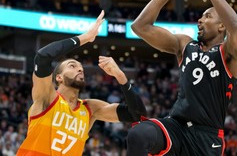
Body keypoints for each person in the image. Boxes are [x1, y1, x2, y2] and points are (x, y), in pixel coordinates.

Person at [128, 0, 237, 156]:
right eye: (200, 17)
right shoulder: (185, 45)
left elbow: (235, 27)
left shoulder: (228, 53)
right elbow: (140, 27)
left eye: (207, 16)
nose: (199, 20)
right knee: (138, 135)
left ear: (221, 26)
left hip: (206, 137)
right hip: (176, 127)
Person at [16, 11, 147, 156]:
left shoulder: (90, 109)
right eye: (72, 66)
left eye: (81, 67)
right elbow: (43, 56)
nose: (79, 68)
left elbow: (137, 114)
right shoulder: (47, 98)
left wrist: (120, 76)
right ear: (58, 77)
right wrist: (86, 37)